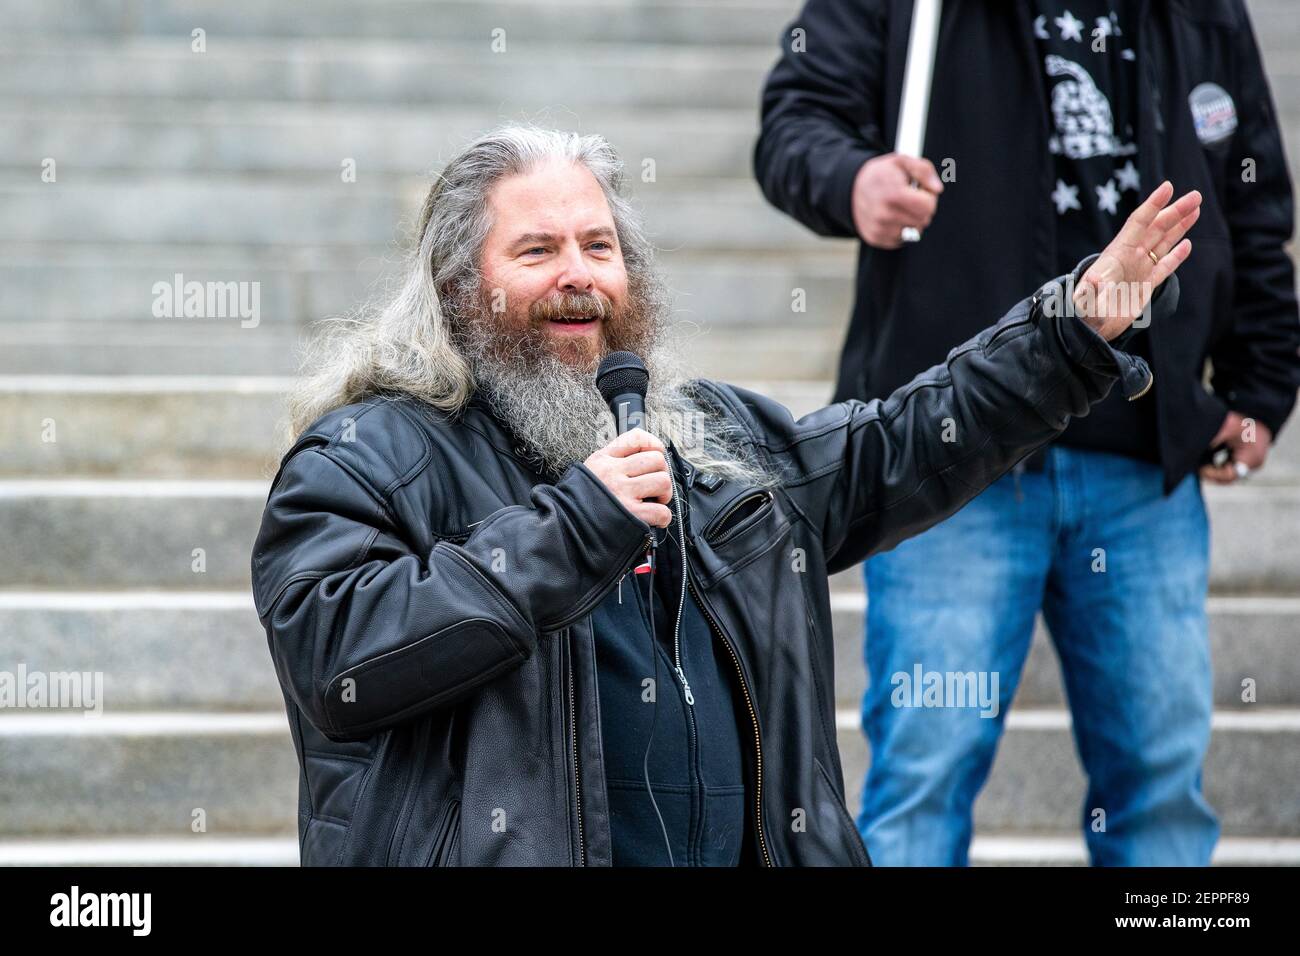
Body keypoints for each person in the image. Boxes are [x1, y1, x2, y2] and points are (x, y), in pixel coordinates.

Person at [250, 124, 1197, 866]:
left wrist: (1067, 331)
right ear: (461, 291)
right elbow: (338, 652)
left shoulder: (707, 438)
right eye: (537, 251)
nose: (579, 273)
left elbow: (892, 445)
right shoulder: (370, 451)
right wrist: (574, 526)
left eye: (599, 246)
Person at [754, 0, 1300, 864]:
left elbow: (1253, 193)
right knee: (923, 781)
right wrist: (852, 180)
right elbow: (793, 122)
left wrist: (1262, 386)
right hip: (942, 455)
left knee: (1160, 791)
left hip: (1141, 456)